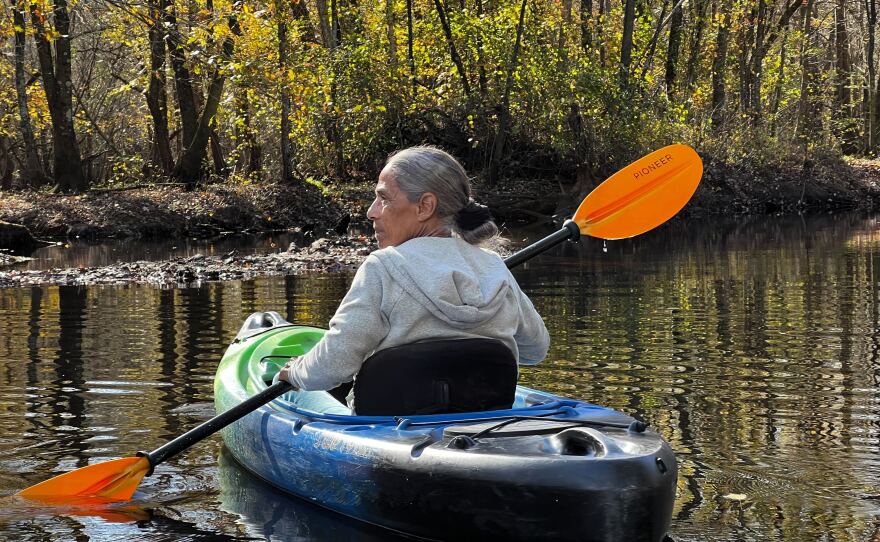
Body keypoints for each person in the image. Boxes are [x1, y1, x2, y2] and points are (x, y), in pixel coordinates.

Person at [277, 145, 549, 414]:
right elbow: (535, 349)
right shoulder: (493, 266)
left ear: (425, 206)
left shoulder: (383, 267)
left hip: (387, 430)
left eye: (383, 198)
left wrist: (297, 372)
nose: (372, 211)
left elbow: (333, 365)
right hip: (484, 419)